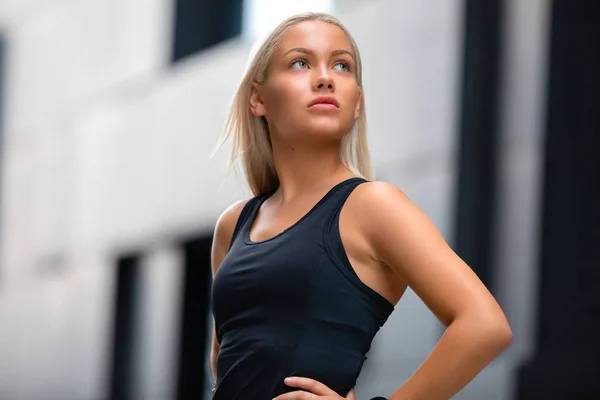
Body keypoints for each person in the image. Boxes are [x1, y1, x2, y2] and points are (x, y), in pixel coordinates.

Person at [209, 12, 512, 400]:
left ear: (356, 104)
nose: (325, 77)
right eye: (300, 62)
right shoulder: (233, 224)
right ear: (258, 98)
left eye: (342, 65)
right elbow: (227, 352)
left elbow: (485, 325)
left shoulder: (372, 206)